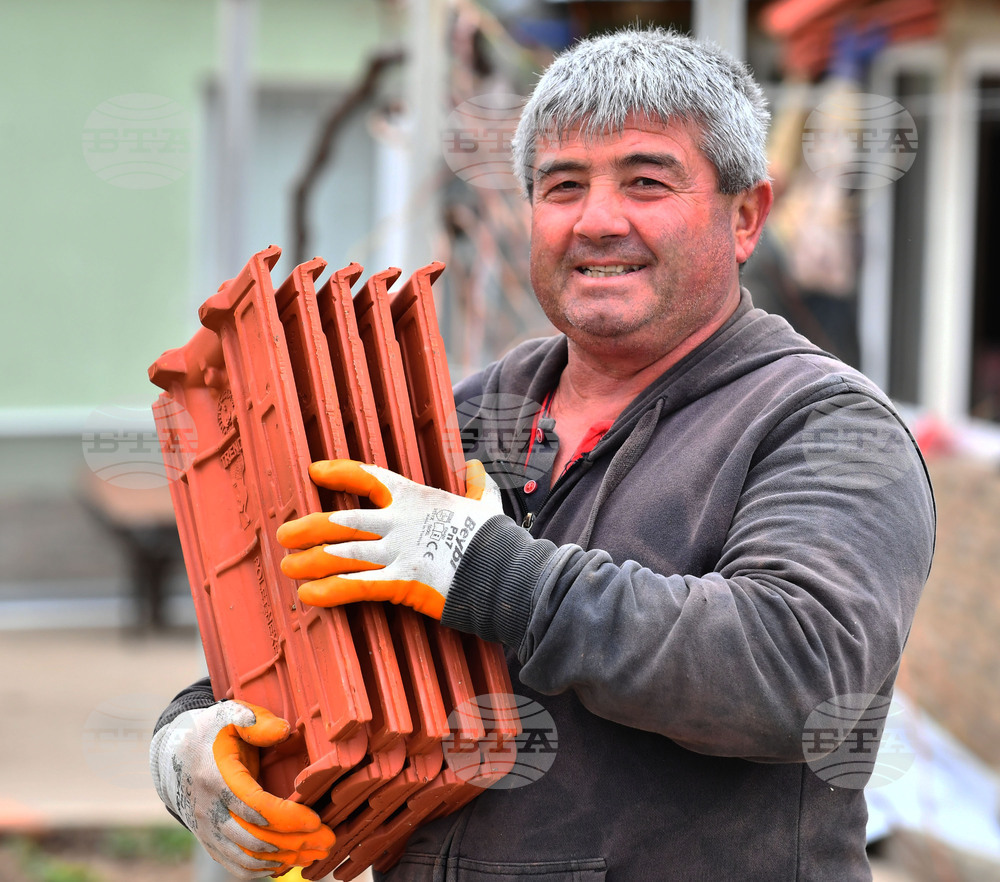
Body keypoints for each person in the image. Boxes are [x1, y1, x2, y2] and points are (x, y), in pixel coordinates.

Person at [150, 26, 935, 881]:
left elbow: (804, 678)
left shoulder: (826, 427)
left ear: (745, 217)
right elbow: (318, 637)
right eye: (563, 186)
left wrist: (486, 570)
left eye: (646, 181)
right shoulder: (458, 416)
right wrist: (194, 735)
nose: (598, 220)